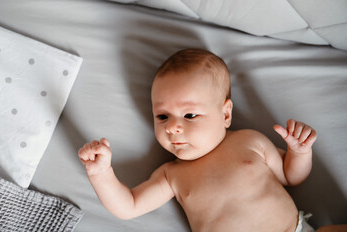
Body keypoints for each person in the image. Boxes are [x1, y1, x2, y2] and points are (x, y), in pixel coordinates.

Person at [78, 49, 319, 231]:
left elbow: (291, 176)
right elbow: (128, 207)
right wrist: (101, 173)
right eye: (162, 116)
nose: (172, 127)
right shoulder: (171, 175)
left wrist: (299, 152)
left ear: (225, 114)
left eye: (190, 115)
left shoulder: (250, 142)